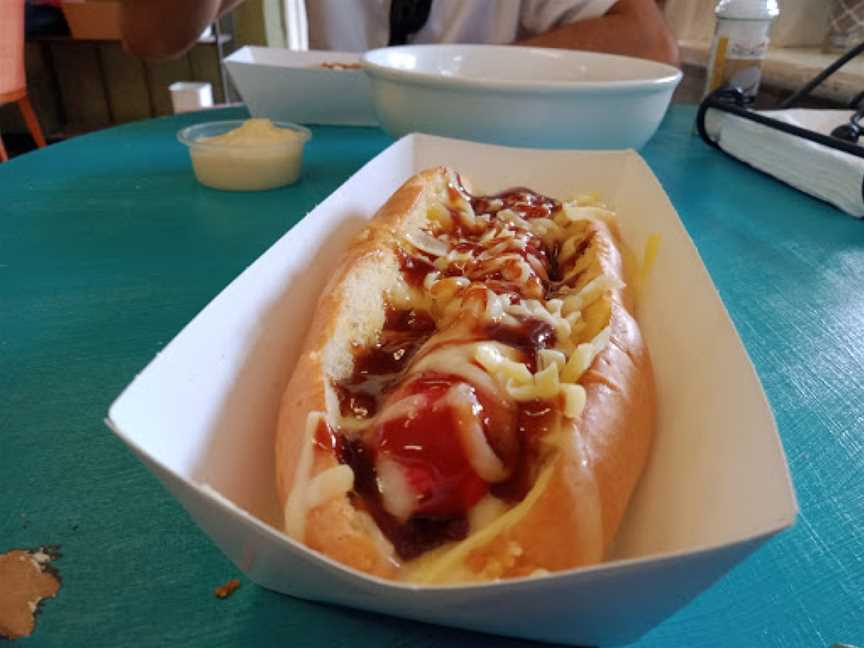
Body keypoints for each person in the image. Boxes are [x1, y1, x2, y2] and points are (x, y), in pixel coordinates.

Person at [120, 0, 679, 67]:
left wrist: (449, 71)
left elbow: (649, 42)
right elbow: (151, 34)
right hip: (325, 166)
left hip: (491, 149)